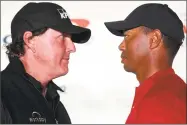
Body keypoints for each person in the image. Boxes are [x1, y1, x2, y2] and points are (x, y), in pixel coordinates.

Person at [1, 2, 91, 124]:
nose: (72, 47)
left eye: (70, 38)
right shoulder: (3, 95)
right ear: (29, 40)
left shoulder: (53, 100)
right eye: (62, 37)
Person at [104, 3, 186, 124]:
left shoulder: (159, 103)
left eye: (127, 36)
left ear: (154, 39)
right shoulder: (172, 92)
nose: (121, 46)